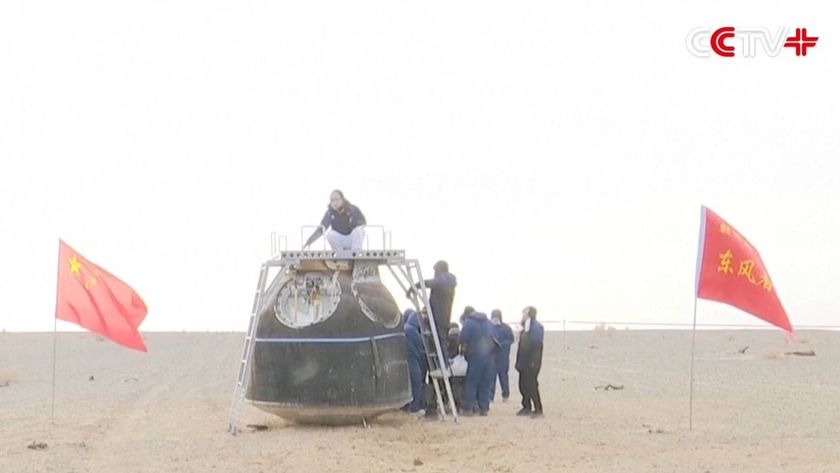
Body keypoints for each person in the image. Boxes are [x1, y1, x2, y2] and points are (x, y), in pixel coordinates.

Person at [409, 261, 456, 357]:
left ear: (440, 269)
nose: (434, 273)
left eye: (435, 270)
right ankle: (443, 362)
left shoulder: (445, 279)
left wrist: (417, 285)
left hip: (440, 314)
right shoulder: (448, 281)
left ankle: (444, 363)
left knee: (440, 339)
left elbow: (433, 283)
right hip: (441, 313)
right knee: (438, 339)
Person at [458, 310, 496, 416]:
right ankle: (484, 408)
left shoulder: (469, 323)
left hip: (475, 356)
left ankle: (468, 409)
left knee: (472, 382)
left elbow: (463, 338)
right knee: (485, 382)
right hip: (489, 356)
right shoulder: (488, 322)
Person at [515, 306, 544, 417]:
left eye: (525, 314)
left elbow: (536, 345)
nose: (523, 316)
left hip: (531, 363)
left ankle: (538, 408)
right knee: (523, 384)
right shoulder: (525, 329)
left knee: (531, 385)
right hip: (523, 362)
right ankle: (526, 406)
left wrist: (533, 362)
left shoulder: (536, 328)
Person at [403, 308, 426, 414]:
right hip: (412, 359)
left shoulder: (405, 328)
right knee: (417, 382)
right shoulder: (412, 330)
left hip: (405, 360)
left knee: (408, 384)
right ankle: (415, 407)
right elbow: (421, 346)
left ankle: (406, 406)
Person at [489, 309, 514, 402]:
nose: (495, 320)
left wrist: (502, 344)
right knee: (491, 378)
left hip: (503, 357)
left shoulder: (506, 328)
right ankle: (490, 397)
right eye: (493, 318)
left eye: (496, 317)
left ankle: (505, 394)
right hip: (492, 357)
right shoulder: (489, 327)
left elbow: (511, 340)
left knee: (503, 377)